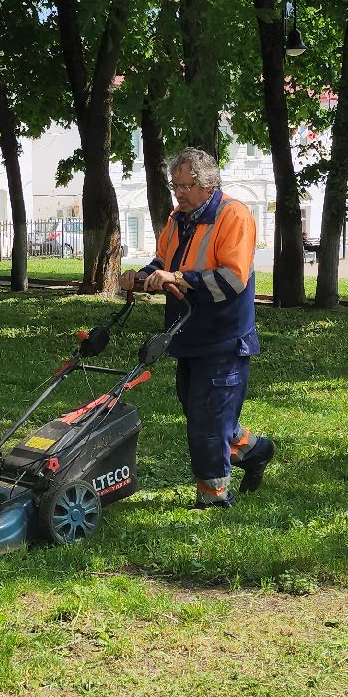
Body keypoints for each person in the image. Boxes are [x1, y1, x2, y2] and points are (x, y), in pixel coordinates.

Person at [120, 147, 275, 509]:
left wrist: (175, 278)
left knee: (207, 420)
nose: (178, 193)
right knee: (202, 412)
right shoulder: (179, 218)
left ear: (207, 184)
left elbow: (232, 280)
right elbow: (165, 259)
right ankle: (256, 451)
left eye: (184, 186)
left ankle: (213, 496)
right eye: (175, 186)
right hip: (187, 335)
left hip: (223, 337)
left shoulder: (233, 216)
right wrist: (143, 276)